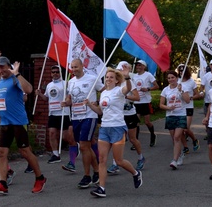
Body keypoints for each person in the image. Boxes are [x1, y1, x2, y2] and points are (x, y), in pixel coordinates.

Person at [0, 56, 47, 195]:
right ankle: (2, 183)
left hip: (18, 122)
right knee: (1, 152)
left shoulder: (14, 79)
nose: (0, 70)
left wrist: (17, 73)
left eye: (2, 67)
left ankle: (40, 178)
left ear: (9, 67)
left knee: (25, 152)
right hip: (5, 123)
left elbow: (29, 89)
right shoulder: (1, 79)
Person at [85, 67, 143, 198]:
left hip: (117, 127)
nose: (108, 79)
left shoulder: (119, 91)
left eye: (111, 77)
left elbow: (127, 88)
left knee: (119, 160)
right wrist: (89, 105)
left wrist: (127, 77)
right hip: (105, 128)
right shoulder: (104, 93)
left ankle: (135, 173)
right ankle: (102, 188)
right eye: (106, 77)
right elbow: (100, 112)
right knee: (102, 159)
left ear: (117, 81)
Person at [63, 59, 103, 188]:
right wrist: (66, 102)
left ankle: (87, 176)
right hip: (76, 116)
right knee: (87, 145)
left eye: (76, 67)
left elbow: (104, 91)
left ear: (82, 66)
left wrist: (98, 103)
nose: (74, 69)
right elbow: (70, 99)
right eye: (72, 67)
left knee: (84, 146)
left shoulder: (92, 79)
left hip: (89, 116)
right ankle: (97, 171)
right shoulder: (71, 82)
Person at [35, 65, 79, 169]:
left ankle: (75, 146)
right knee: (52, 133)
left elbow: (71, 98)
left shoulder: (66, 84)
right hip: (53, 113)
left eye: (57, 72)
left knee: (66, 137)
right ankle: (55, 154)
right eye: (53, 72)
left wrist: (67, 102)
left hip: (64, 113)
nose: (55, 74)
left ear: (60, 73)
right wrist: (40, 94)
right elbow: (46, 98)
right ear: (51, 74)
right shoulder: (49, 85)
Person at [107, 61, 145, 174]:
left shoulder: (129, 83)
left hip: (130, 115)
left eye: (122, 70)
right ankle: (115, 164)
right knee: (117, 140)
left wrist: (125, 95)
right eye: (118, 70)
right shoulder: (114, 83)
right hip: (118, 116)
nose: (120, 72)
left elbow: (137, 98)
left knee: (132, 139)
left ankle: (140, 157)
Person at [159, 70, 190, 170]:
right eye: (169, 78)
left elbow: (188, 100)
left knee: (177, 137)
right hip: (170, 115)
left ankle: (174, 160)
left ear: (177, 78)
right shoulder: (165, 90)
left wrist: (181, 91)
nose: (171, 79)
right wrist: (168, 108)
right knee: (174, 139)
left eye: (173, 77)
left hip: (181, 115)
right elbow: (161, 104)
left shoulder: (182, 87)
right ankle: (180, 155)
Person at [133, 60, 159, 147]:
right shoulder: (134, 76)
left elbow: (156, 86)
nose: (138, 67)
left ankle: (152, 135)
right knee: (136, 122)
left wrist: (148, 89)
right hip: (136, 101)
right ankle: (135, 142)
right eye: (137, 65)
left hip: (146, 101)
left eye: (140, 65)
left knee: (147, 122)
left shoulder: (148, 75)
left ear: (144, 66)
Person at [177, 64, 200, 154]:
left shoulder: (191, 82)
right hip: (179, 107)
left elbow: (197, 94)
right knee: (180, 129)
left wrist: (191, 98)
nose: (182, 72)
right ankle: (185, 146)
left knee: (185, 128)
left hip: (188, 106)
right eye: (180, 70)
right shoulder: (177, 81)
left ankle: (194, 139)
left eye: (183, 70)